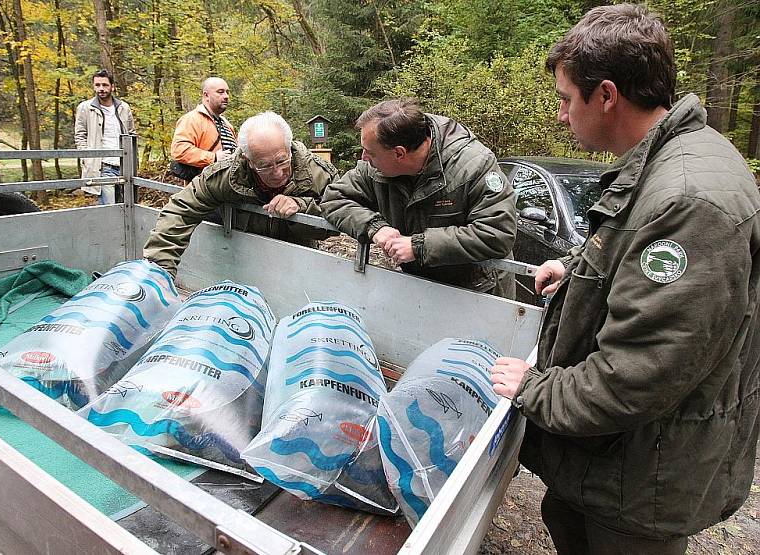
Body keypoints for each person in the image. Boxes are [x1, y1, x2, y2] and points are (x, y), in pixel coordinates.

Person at [490, 4, 760, 554]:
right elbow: (646, 272)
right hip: (616, 464)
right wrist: (580, 271)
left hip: (639, 478)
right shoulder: (667, 163)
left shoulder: (687, 200)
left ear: (607, 95)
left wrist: (534, 388)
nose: (563, 116)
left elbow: (637, 375)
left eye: (567, 100)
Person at [320, 98, 516, 297]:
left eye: (370, 152)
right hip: (419, 286)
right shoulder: (373, 167)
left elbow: (497, 233)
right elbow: (334, 199)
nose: (363, 157)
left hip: (479, 292)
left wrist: (418, 246)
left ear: (399, 153)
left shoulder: (474, 166)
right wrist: (375, 227)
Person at [144, 111, 338, 276]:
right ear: (248, 159)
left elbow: (339, 217)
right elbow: (180, 210)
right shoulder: (227, 175)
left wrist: (301, 207)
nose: (277, 173)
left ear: (289, 148)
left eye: (281, 161)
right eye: (264, 166)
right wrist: (160, 271)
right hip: (241, 267)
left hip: (298, 269)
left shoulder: (319, 174)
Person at [74, 69, 136, 204]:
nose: (101, 89)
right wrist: (88, 157)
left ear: (112, 87)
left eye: (104, 85)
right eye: (97, 85)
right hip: (103, 166)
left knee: (126, 207)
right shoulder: (85, 108)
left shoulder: (123, 108)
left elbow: (131, 134)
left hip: (123, 164)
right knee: (109, 207)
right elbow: (80, 135)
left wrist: (132, 161)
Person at [169, 77, 238, 182]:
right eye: (220, 92)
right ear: (206, 95)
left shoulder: (226, 123)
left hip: (227, 188)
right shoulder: (192, 119)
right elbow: (179, 150)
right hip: (203, 191)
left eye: (227, 92)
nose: (226, 96)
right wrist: (213, 157)